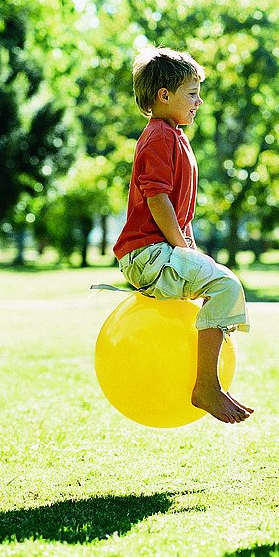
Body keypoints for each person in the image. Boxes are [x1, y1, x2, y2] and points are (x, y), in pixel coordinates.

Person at [113, 45, 253, 424]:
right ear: (164, 96)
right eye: (192, 94)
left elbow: (172, 207)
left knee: (221, 286)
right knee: (226, 286)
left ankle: (209, 374)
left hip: (158, 252)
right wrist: (181, 247)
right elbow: (157, 198)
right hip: (148, 255)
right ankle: (206, 386)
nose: (199, 101)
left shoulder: (173, 136)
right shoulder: (159, 135)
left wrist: (186, 246)